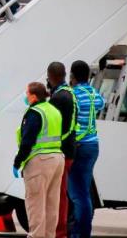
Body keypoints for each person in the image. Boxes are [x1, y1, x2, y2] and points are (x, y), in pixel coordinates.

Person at [14, 81, 65, 238]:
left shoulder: (35, 113)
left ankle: (35, 236)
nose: (25, 96)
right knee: (51, 204)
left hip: (40, 160)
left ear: (34, 97)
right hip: (57, 159)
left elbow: (27, 141)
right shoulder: (53, 110)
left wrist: (17, 162)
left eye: (27, 93)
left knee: (35, 203)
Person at [67, 60, 104, 238]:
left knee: (78, 195)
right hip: (92, 145)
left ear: (72, 76)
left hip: (79, 145)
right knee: (84, 192)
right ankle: (82, 231)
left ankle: (80, 233)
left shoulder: (73, 95)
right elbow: (101, 103)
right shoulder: (93, 94)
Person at [47, 62, 77, 238]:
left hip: (61, 151)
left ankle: (59, 232)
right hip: (69, 149)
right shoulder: (70, 93)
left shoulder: (58, 98)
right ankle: (59, 230)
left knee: (57, 195)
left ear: (51, 76)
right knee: (61, 193)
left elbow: (53, 126)